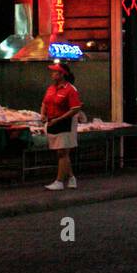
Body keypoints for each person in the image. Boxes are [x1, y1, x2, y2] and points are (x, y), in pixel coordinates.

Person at [41, 61, 83, 191]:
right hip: (52, 121)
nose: (52, 74)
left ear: (62, 74)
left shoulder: (70, 90)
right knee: (61, 153)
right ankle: (71, 178)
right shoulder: (50, 88)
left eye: (55, 72)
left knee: (62, 152)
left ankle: (59, 181)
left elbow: (75, 108)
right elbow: (44, 103)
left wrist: (59, 119)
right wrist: (42, 114)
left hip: (65, 122)